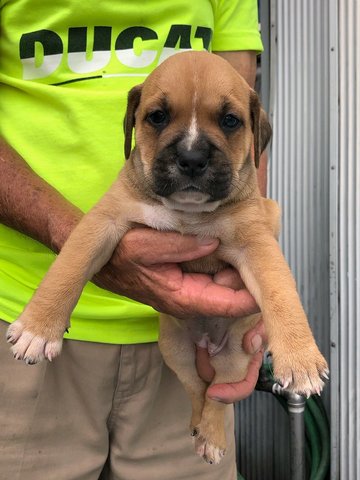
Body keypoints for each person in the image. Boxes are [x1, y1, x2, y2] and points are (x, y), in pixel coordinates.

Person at [0, 1, 267, 479]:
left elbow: (242, 135)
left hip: (187, 322)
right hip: (26, 315)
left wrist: (252, 300)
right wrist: (90, 246)